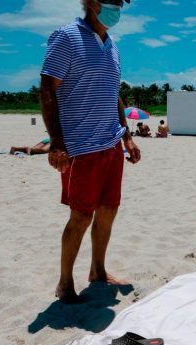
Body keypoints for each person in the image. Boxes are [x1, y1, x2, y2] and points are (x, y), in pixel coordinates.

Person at [40, 0, 141, 304]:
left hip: (111, 144)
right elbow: (47, 88)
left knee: (108, 210)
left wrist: (127, 136)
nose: (119, 7)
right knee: (82, 215)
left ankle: (98, 271)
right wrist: (56, 141)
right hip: (81, 147)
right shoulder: (67, 36)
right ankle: (64, 283)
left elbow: (113, 93)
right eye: (115, 1)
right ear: (93, 2)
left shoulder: (112, 46)